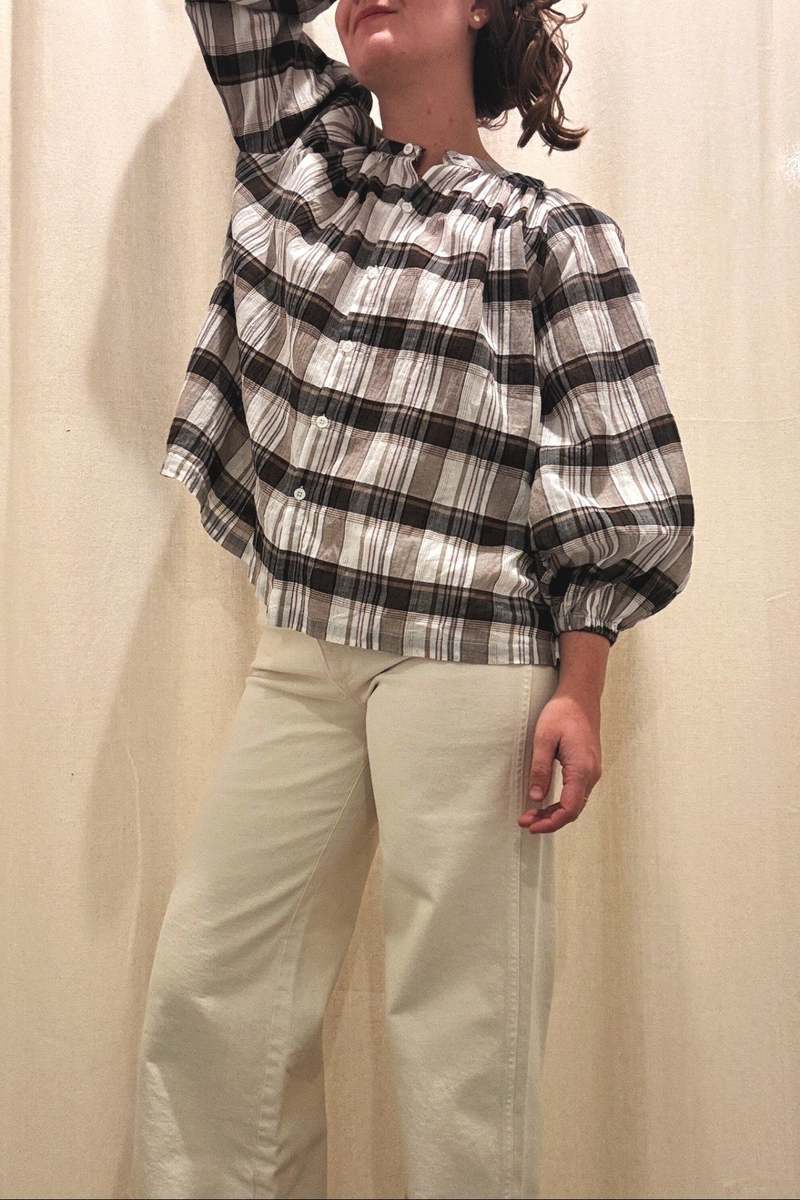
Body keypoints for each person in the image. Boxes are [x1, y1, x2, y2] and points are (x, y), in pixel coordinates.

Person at [132, 2, 695, 1197]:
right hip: (302, 645)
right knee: (213, 991)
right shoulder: (302, 149)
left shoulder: (548, 234)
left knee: (462, 1037)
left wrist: (579, 687)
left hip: (470, 655)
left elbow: (619, 472)